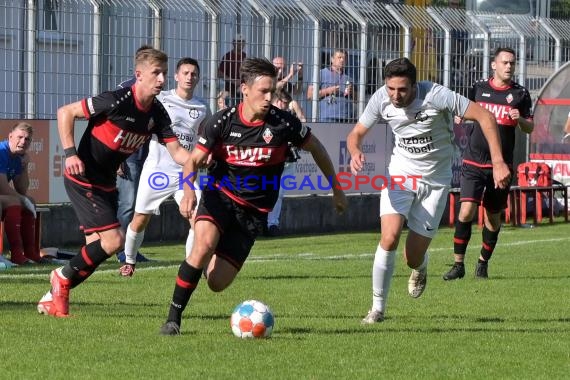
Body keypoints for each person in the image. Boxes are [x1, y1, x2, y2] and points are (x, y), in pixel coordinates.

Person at [159, 57, 347, 335]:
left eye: (272, 91)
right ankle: (173, 319)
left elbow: (317, 148)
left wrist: (337, 188)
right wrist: (188, 191)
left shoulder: (284, 123)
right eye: (264, 91)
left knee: (216, 282)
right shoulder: (221, 122)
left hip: (253, 213)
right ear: (245, 89)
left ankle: (202, 260)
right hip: (219, 196)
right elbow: (192, 161)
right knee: (203, 245)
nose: (270, 97)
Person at [348, 57, 511, 324]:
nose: (395, 96)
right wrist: (355, 151)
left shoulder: (437, 95)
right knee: (388, 238)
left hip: (435, 182)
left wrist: (497, 161)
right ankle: (377, 309)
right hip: (400, 174)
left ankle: (420, 266)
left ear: (414, 85)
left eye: (402, 90)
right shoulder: (380, 99)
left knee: (411, 256)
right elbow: (356, 133)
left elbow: (485, 116)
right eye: (391, 89)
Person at [37, 46, 192, 318]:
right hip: (84, 177)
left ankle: (51, 297)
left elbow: (179, 153)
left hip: (105, 181)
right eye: (156, 73)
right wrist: (70, 153)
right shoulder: (117, 100)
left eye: (164, 74)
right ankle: (60, 277)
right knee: (114, 241)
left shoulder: (156, 113)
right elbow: (66, 112)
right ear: (138, 75)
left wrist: (203, 158)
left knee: (95, 251)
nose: (162, 80)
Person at [443, 47, 534, 281]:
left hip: (500, 166)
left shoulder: (521, 94)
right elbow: (465, 110)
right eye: (504, 62)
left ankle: (483, 262)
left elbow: (530, 127)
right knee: (466, 210)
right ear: (494, 65)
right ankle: (458, 264)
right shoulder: (479, 88)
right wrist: (461, 116)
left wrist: (521, 120)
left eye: (512, 63)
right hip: (473, 160)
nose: (509, 66)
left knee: (492, 217)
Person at [119, 57, 211, 277]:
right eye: (185, 73)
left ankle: (191, 268)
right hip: (158, 171)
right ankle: (129, 260)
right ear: (177, 76)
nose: (190, 77)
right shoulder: (160, 99)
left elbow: (202, 139)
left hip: (185, 173)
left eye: (194, 74)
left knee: (198, 219)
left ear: (198, 78)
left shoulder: (202, 108)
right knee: (140, 219)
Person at [115, 68, 151, 264]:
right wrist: (117, 158)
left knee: (140, 206)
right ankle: (121, 249)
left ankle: (132, 250)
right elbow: (116, 125)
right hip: (128, 156)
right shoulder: (125, 90)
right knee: (127, 204)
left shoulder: (157, 91)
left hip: (147, 156)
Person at [0, 122, 44, 265]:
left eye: (27, 139)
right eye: (20, 137)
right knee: (16, 201)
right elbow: (3, 187)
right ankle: (17, 254)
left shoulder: (18, 156)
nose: (23, 142)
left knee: (29, 200)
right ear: (10, 136)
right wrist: (22, 200)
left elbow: (21, 189)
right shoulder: (1, 151)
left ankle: (30, 253)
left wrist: (24, 167)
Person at [265, 88, 301, 236]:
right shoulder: (267, 117)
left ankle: (272, 224)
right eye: (285, 103)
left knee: (279, 193)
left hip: (287, 160)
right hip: (270, 162)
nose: (287, 106)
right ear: (278, 101)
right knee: (266, 192)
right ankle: (263, 223)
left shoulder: (289, 118)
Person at [307, 49, 355, 123]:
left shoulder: (348, 78)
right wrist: (328, 91)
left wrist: (351, 93)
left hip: (347, 118)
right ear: (332, 59)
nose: (342, 60)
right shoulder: (321, 74)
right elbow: (309, 96)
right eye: (339, 57)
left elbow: (357, 99)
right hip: (328, 118)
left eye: (344, 58)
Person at [273, 56, 307, 122]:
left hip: (284, 110)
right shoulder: (269, 78)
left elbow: (296, 91)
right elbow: (276, 87)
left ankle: (304, 124)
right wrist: (290, 75)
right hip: (273, 110)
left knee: (294, 104)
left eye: (283, 69)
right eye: (278, 68)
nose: (280, 71)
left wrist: (300, 76)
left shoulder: (284, 80)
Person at [218, 34, 246, 104]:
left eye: (243, 41)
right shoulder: (228, 56)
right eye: (238, 41)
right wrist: (233, 81)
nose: (241, 43)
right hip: (230, 93)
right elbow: (219, 73)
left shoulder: (244, 56)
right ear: (234, 43)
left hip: (242, 92)